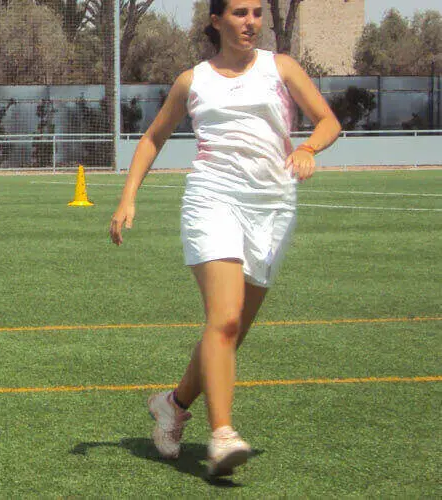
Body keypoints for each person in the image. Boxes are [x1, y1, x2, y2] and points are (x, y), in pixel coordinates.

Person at [108, 0, 339, 478]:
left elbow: (328, 121)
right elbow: (153, 137)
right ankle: (222, 433)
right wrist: (128, 197)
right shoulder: (193, 80)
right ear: (216, 21)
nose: (251, 21)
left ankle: (171, 405)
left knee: (230, 331)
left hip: (273, 208)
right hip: (212, 200)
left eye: (257, 12)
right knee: (224, 319)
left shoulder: (282, 68)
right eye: (239, 12)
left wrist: (308, 148)